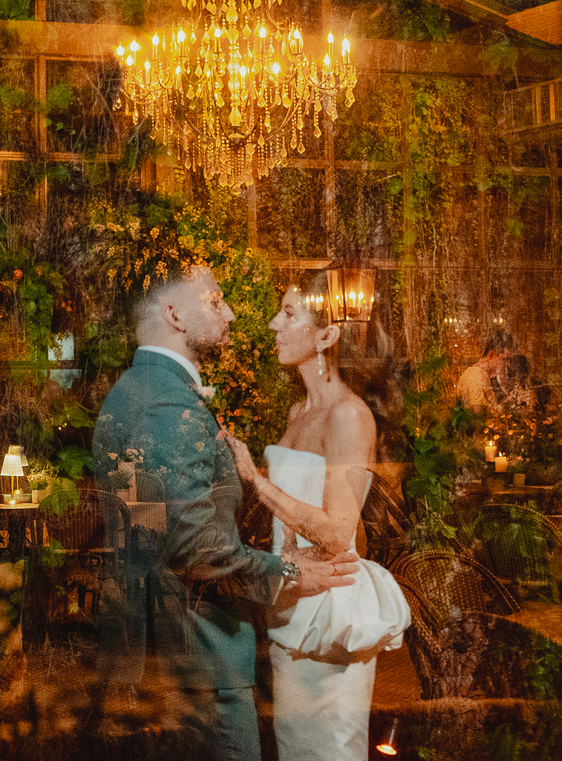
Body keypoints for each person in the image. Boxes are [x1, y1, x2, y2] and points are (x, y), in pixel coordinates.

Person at [91, 266, 359, 761]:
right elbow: (196, 550)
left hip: (175, 650)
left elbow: (154, 532)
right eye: (215, 301)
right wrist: (288, 572)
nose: (232, 313)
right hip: (202, 657)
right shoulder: (169, 405)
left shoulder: (134, 391)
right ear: (175, 315)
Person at [225, 272, 411, 761]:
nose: (273, 324)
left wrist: (256, 479)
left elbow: (337, 531)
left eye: (288, 314)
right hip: (292, 597)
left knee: (329, 751)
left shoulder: (349, 415)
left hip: (330, 613)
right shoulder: (297, 412)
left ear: (327, 336)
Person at [456, 330, 516, 411]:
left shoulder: (483, 375)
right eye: (505, 359)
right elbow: (478, 415)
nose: (508, 365)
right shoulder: (476, 377)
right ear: (491, 355)